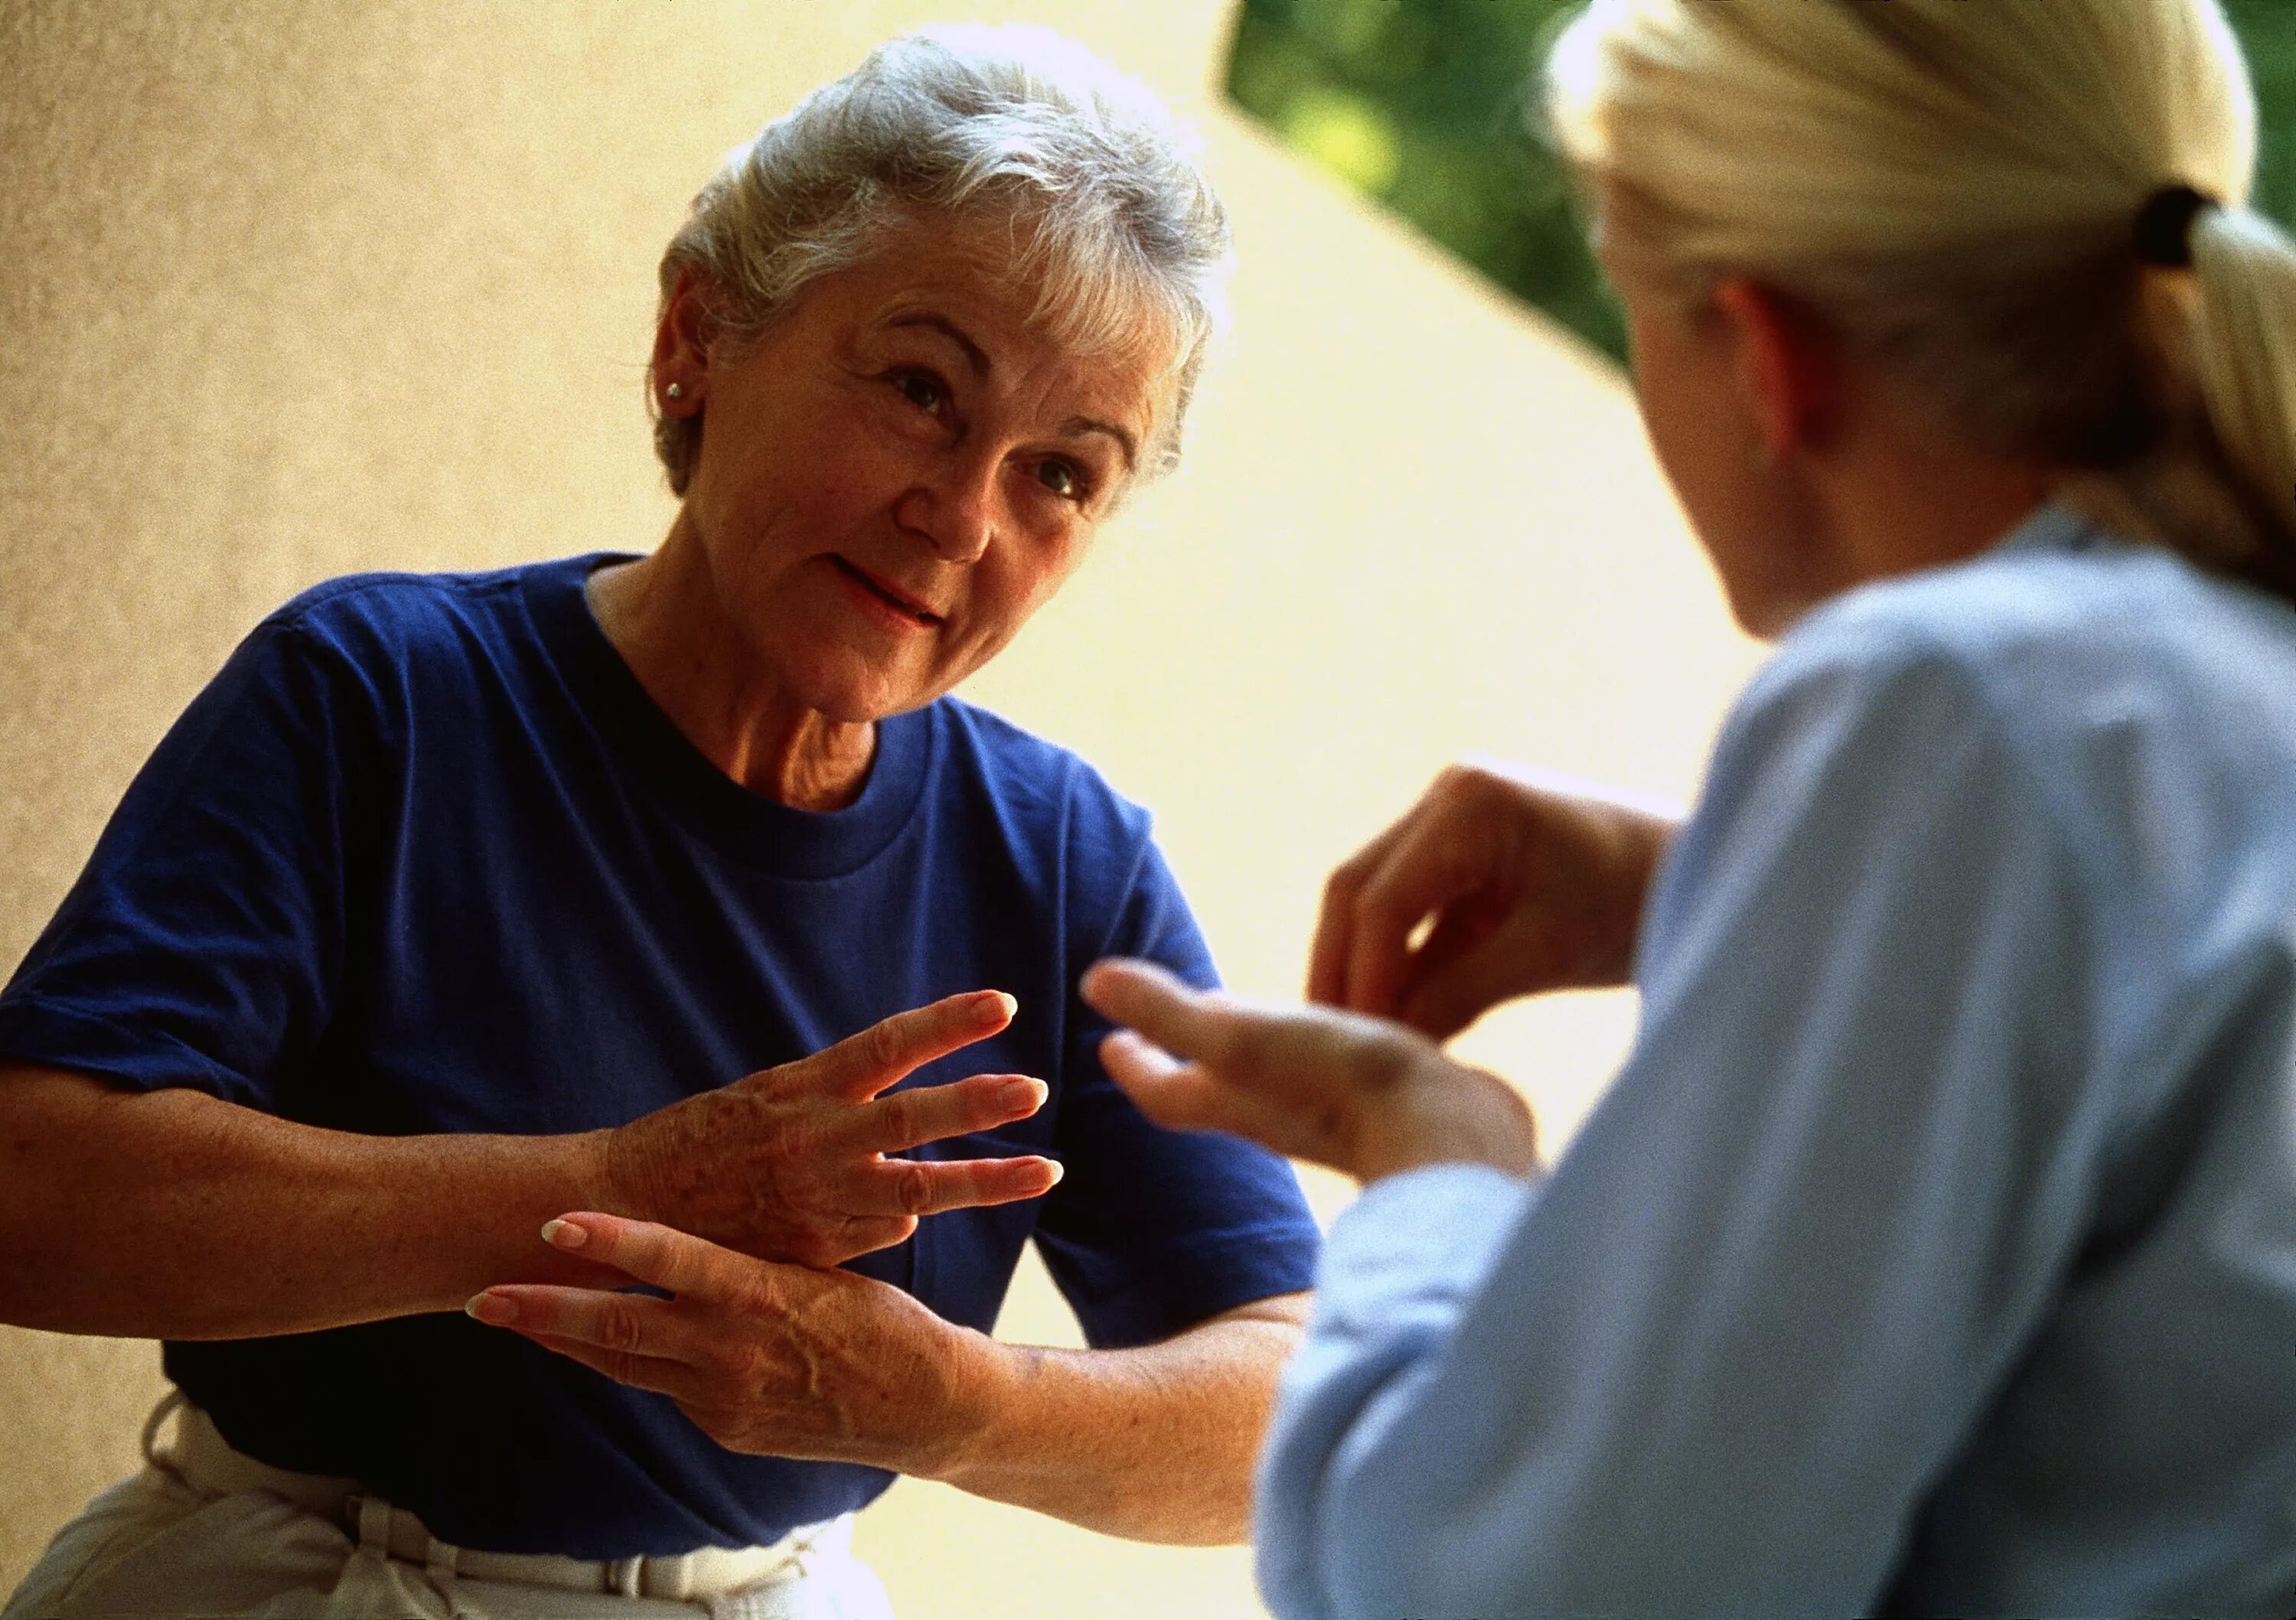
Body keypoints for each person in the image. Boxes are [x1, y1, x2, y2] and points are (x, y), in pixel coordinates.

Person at [0, 24, 1319, 1619]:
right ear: (700, 335)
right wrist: (622, 1188)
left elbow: (1286, 1403)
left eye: (1059, 474)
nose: (964, 516)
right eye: (921, 387)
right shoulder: (384, 694)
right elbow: (37, 1186)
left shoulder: (1063, 864)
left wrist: (945, 1406)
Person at [1081, 0, 2296, 1615]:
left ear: (1765, 357)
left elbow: (1542, 1588)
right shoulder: (2201, 692)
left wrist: (1438, 1162)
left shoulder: (1960, 709)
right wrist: (1696, 884)